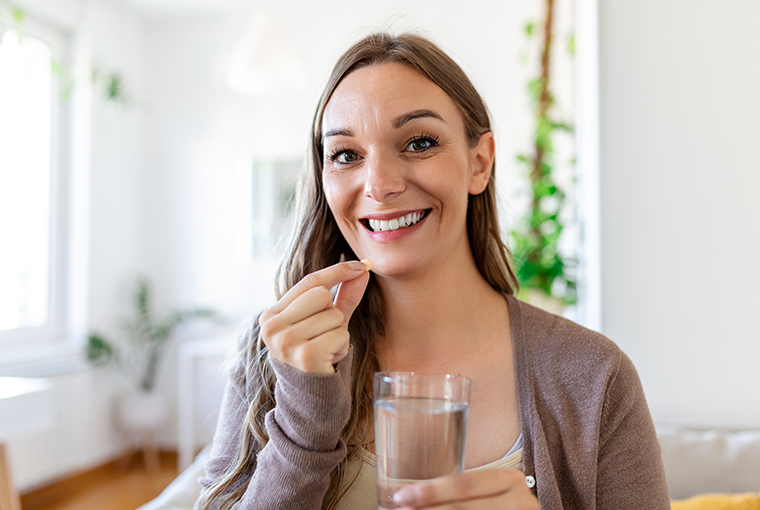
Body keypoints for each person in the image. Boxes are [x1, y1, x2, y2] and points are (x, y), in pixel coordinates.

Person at [196, 32, 670, 510]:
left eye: (419, 143)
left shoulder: (596, 378)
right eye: (346, 154)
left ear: (479, 163)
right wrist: (304, 426)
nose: (379, 185)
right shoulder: (274, 354)